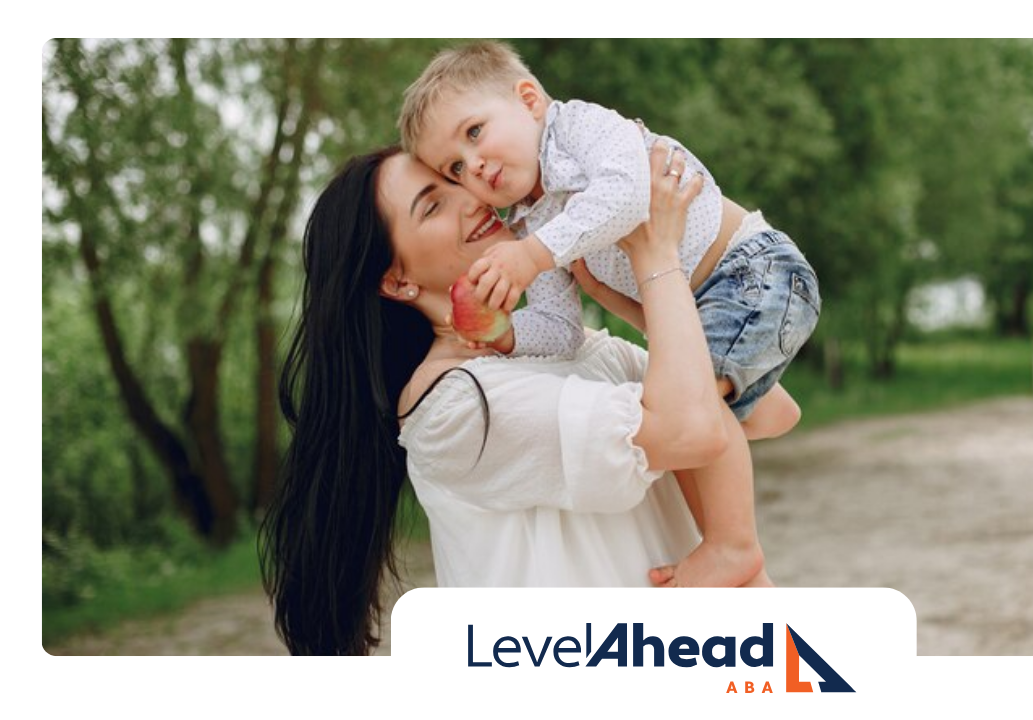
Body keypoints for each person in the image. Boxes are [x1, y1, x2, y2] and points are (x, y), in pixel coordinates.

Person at [260, 142, 739, 655]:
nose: (472, 198)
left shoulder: (585, 350)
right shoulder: (451, 407)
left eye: (458, 179)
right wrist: (657, 255)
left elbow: (757, 408)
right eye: (432, 205)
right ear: (397, 280)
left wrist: (637, 292)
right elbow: (692, 431)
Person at [397, 40, 821, 588]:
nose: (473, 165)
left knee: (691, 406)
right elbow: (559, 328)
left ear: (528, 99)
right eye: (456, 167)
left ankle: (731, 544)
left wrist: (533, 255)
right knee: (691, 400)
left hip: (751, 273)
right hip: (699, 302)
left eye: (475, 132)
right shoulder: (531, 221)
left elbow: (629, 195)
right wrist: (506, 335)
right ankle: (756, 407)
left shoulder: (579, 129)